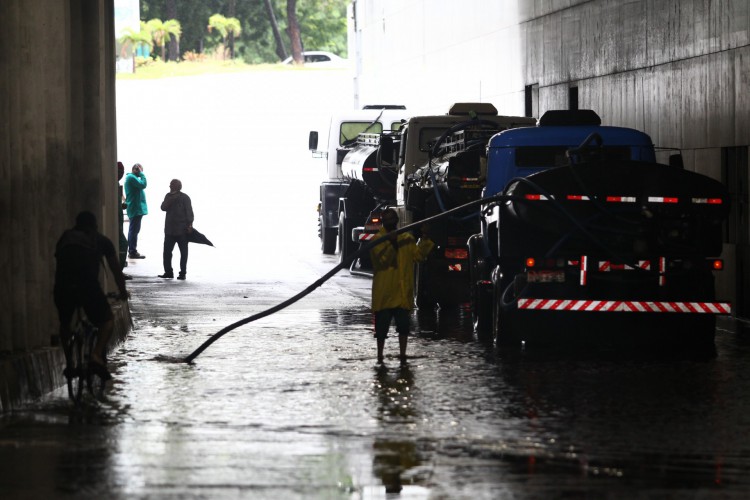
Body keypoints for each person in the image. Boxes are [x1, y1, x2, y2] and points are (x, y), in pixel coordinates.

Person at [54, 211, 129, 380]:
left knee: (65, 325)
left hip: (63, 287)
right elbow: (116, 271)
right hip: (88, 287)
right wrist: (123, 292)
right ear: (95, 226)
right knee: (107, 320)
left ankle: (70, 364)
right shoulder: (101, 240)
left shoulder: (65, 238)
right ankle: (96, 354)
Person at [369, 208, 434, 364]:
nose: (391, 223)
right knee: (381, 330)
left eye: (393, 219)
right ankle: (379, 357)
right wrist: (391, 243)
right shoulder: (377, 241)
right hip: (384, 294)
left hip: (402, 294)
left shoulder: (406, 238)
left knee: (404, 328)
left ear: (397, 220)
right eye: (387, 220)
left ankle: (403, 356)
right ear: (383, 222)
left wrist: (425, 237)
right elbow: (382, 261)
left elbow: (418, 256)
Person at [159, 179, 194, 280]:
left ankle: (183, 273)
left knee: (183, 252)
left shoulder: (185, 198)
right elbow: (163, 207)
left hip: (182, 230)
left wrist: (190, 225)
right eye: (170, 184)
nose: (170, 186)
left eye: (172, 184)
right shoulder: (168, 196)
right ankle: (168, 271)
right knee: (167, 252)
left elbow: (189, 212)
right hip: (169, 230)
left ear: (178, 186)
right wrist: (170, 198)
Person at [124, 162, 148, 259]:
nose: (141, 173)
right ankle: (132, 251)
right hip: (135, 208)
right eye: (139, 170)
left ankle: (132, 250)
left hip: (136, 208)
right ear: (136, 169)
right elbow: (143, 184)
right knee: (133, 231)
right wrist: (142, 174)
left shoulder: (132, 178)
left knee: (134, 230)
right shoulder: (131, 177)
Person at [117, 162, 132, 280]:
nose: (121, 174)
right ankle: (118, 271)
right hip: (116, 224)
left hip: (118, 222)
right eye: (119, 171)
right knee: (123, 244)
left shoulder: (116, 185)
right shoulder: (112, 185)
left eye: (122, 171)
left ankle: (118, 271)